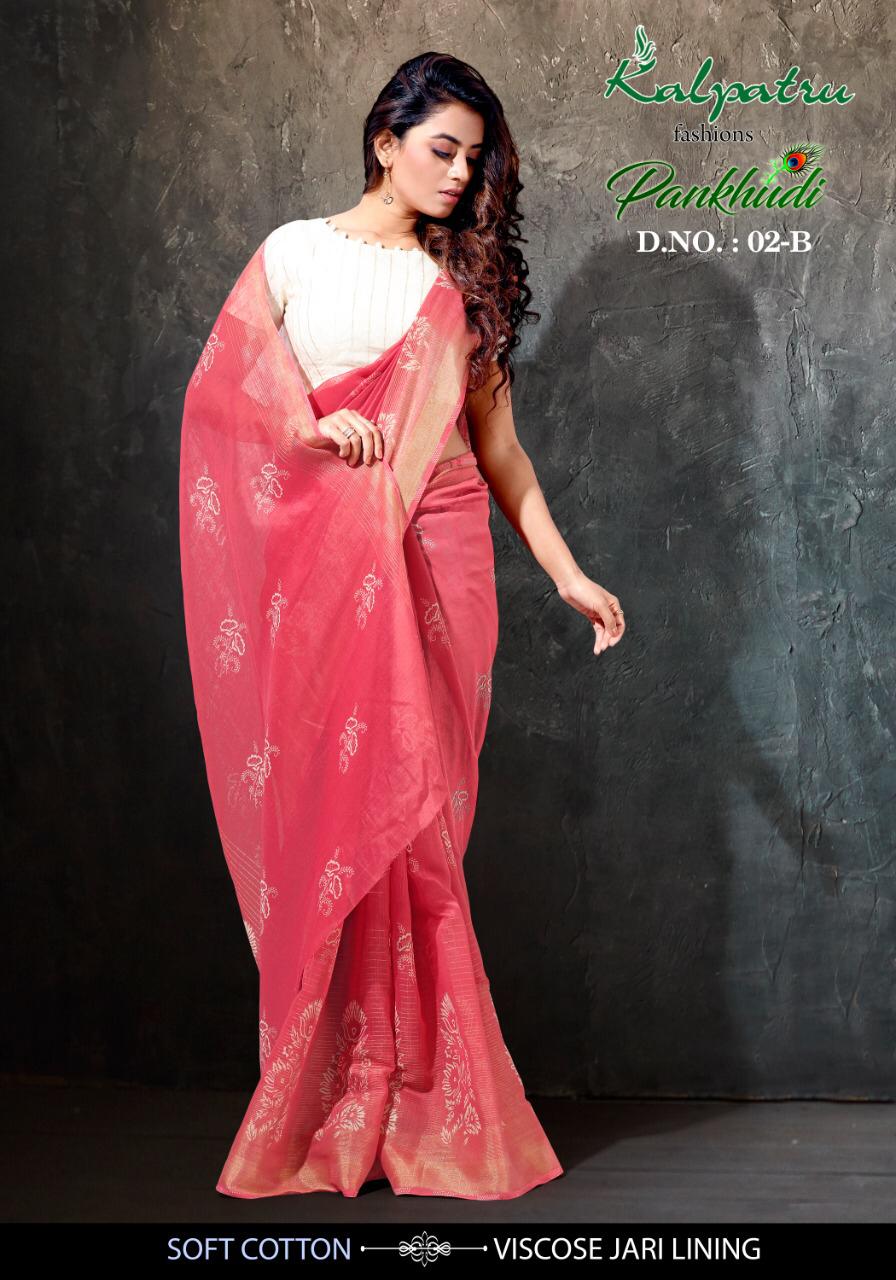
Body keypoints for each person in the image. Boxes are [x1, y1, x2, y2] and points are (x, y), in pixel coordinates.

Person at [179, 51, 625, 1202]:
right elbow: (225, 404)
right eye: (443, 148)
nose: (460, 173)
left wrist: (567, 572)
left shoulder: (459, 284)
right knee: (335, 811)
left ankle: (424, 1100)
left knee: (416, 821)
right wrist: (311, 428)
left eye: (475, 158)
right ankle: (332, 1093)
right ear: (385, 140)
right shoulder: (292, 253)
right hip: (324, 568)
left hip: (443, 553)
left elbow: (498, 451)